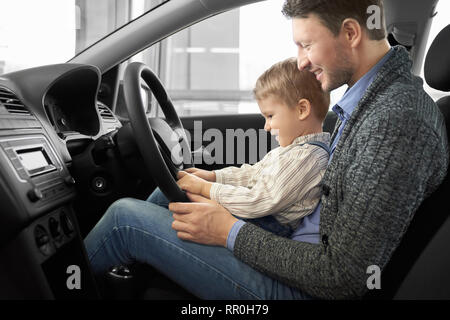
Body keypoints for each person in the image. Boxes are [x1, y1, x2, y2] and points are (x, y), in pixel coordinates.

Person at [84, 0, 448, 299]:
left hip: (302, 290)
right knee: (171, 194)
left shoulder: (397, 122)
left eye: (306, 44)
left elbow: (343, 277)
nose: (302, 60)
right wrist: (216, 188)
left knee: (124, 219)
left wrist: (228, 231)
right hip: (295, 257)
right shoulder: (372, 105)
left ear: (351, 32)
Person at [167, 58, 331, 238]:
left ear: (302, 110)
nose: (266, 126)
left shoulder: (306, 158)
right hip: (257, 216)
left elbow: (258, 200)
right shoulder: (293, 150)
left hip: (266, 227)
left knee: (178, 195)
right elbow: (253, 174)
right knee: (173, 190)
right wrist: (214, 177)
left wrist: (204, 188)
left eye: (270, 116)